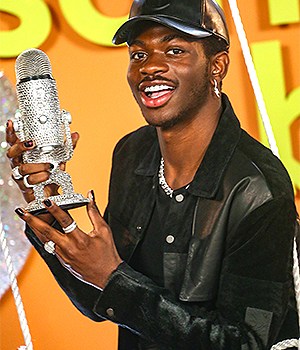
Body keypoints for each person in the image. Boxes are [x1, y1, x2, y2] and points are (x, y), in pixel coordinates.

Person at [6, 0, 299, 349]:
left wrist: (115, 280)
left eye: (174, 50)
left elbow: (246, 343)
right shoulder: (132, 155)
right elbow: (101, 301)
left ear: (216, 66)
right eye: (138, 55)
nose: (151, 67)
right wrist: (46, 198)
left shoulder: (258, 189)